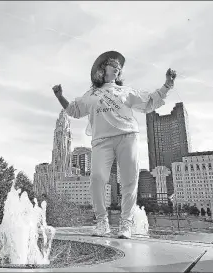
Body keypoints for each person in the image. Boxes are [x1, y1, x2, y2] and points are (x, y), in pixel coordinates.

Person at [52, 51, 177, 238]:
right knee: (97, 178)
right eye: (113, 65)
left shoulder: (125, 91)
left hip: (127, 136)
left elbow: (149, 102)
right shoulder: (92, 94)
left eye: (119, 67)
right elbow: (74, 110)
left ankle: (126, 224)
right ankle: (102, 222)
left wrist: (167, 85)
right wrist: (59, 95)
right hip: (101, 141)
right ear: (103, 70)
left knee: (129, 180)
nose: (117, 67)